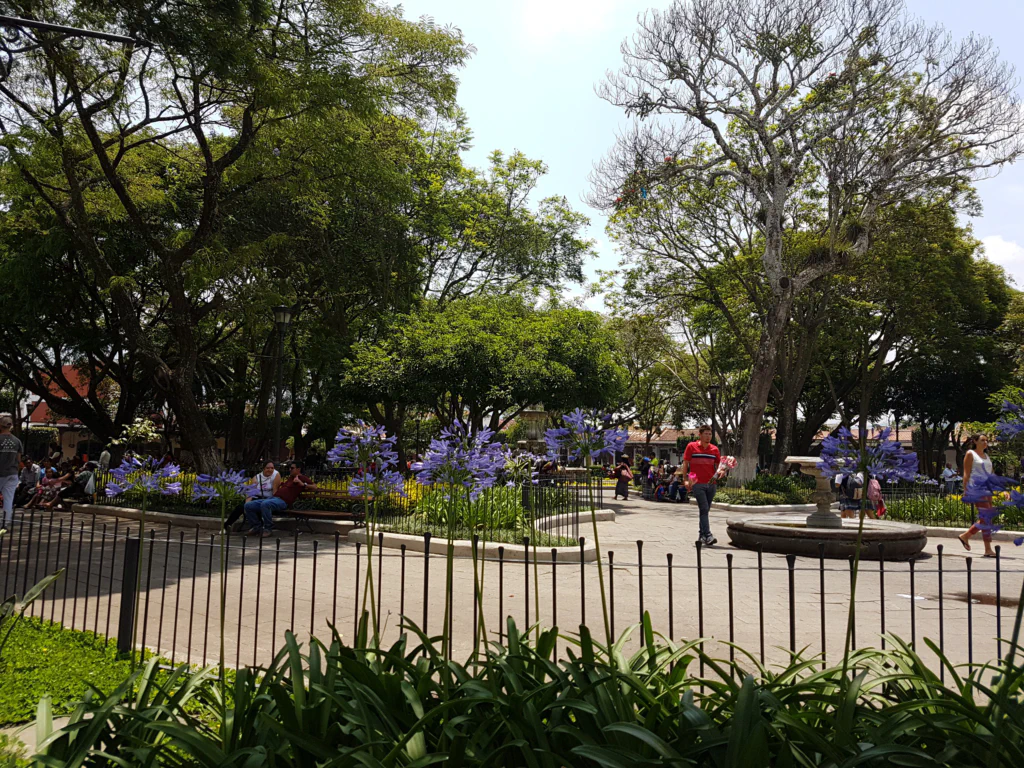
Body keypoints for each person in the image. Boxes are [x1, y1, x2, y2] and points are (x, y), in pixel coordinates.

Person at [243, 462, 315, 537]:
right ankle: (256, 527)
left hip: (283, 502)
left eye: (292, 468)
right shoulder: (290, 478)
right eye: (290, 468)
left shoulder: (302, 478)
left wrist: (302, 484)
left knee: (266, 504)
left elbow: (314, 487)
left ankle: (268, 529)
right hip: (274, 498)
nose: (290, 469)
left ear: (298, 469)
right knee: (248, 505)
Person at [682, 425, 723, 546]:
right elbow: (685, 464)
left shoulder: (714, 449)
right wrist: (684, 479)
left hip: (711, 484)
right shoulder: (691, 447)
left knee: (705, 511)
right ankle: (708, 535)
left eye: (710, 434)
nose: (708, 436)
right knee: (704, 509)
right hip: (697, 483)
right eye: (706, 434)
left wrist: (722, 471)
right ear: (700, 434)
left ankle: (701, 536)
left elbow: (719, 466)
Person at [959, 434, 997, 557]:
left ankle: (966, 536)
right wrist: (966, 490)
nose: (985, 442)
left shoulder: (986, 456)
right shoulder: (970, 454)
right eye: (982, 440)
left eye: (987, 440)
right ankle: (987, 549)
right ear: (975, 441)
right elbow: (966, 473)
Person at [224, 461, 281, 532]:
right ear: (263, 468)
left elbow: (275, 490)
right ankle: (226, 526)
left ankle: (258, 526)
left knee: (260, 506)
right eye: (267, 468)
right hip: (257, 497)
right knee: (241, 507)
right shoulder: (257, 477)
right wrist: (246, 504)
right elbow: (251, 492)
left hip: (269, 498)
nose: (270, 470)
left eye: (272, 468)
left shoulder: (276, 474)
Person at [0, 415, 23, 531]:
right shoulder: (17, 441)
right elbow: (19, 460)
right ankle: (5, 524)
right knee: (8, 499)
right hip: (12, 473)